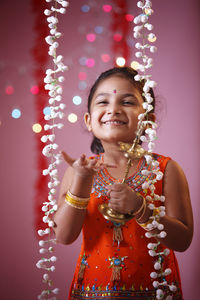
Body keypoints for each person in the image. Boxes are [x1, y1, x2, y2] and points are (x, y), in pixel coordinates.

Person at [53, 67, 193, 300]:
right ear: (88, 120)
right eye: (103, 102)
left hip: (155, 293)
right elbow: (64, 236)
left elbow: (183, 239)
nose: (114, 109)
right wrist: (81, 182)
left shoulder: (165, 169)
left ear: (148, 121)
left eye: (127, 102)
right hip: (90, 292)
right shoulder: (78, 171)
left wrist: (142, 209)